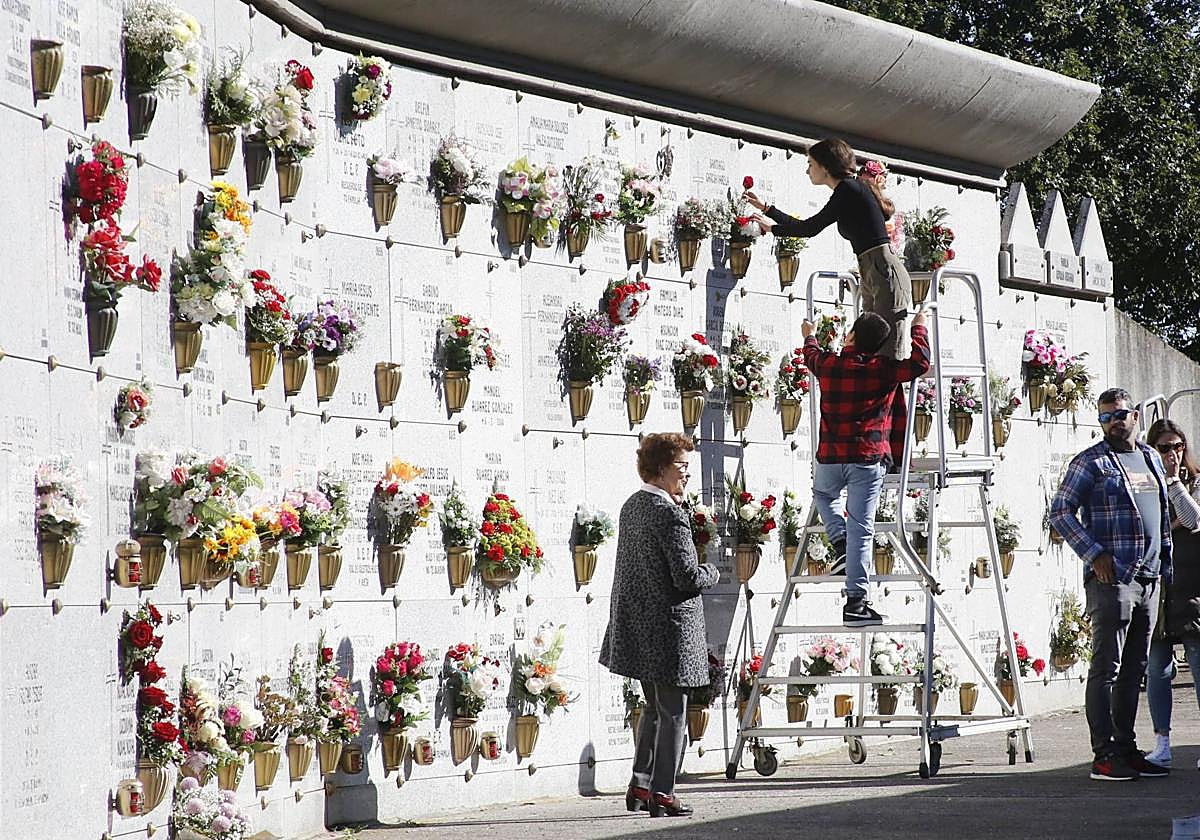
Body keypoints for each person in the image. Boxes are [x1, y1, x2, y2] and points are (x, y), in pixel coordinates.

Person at [744, 138, 914, 465]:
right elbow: (810, 225)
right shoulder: (849, 190)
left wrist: (771, 225)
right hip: (873, 274)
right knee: (872, 358)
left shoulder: (849, 190)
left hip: (883, 275)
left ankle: (889, 452)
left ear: (825, 165)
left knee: (885, 363)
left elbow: (809, 229)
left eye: (811, 164)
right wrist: (768, 211)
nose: (808, 170)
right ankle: (879, 448)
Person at [1049, 388, 1174, 781]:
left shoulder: (1151, 457)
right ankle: (1103, 755)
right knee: (1108, 668)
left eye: (1120, 415)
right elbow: (1060, 511)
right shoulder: (1092, 462)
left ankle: (1125, 747)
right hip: (1114, 579)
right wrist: (1094, 553)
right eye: (1106, 418)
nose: (1114, 423)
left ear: (1135, 415)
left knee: (1136, 669)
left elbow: (1162, 515)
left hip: (1150, 579)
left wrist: (1165, 567)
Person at [598, 432, 719, 817]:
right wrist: (712, 571)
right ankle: (663, 792)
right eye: (682, 467)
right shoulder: (669, 513)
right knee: (674, 712)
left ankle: (641, 783)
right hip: (669, 628)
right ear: (663, 468)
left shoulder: (632, 505)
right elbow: (686, 578)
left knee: (653, 708)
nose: (686, 474)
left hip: (638, 624)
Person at [801, 309, 930, 626]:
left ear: (852, 337)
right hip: (867, 459)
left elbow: (811, 355)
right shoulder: (882, 370)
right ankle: (856, 604)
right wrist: (919, 328)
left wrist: (809, 333)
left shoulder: (830, 365)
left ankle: (840, 542)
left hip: (830, 456)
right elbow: (920, 364)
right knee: (862, 527)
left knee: (823, 495)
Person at [1143, 419, 1200, 769]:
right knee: (1158, 671)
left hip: (1193, 588)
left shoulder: (1194, 481)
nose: (1172, 454)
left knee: (1198, 668)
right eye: (1164, 448)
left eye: (1178, 446)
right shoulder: (1143, 482)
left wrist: (1175, 481)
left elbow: (1193, 520)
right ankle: (1162, 741)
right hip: (1159, 591)